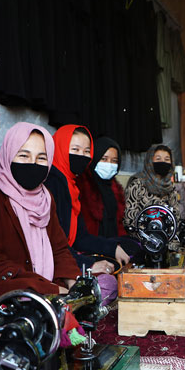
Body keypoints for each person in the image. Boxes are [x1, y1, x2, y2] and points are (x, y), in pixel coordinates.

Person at [0, 122, 81, 300]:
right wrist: (44, 287)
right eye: (23, 155)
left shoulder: (45, 197)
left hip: (46, 287)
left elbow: (58, 249)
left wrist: (74, 281)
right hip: (7, 291)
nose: (33, 164)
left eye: (41, 158)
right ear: (8, 154)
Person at [45, 125, 129, 303]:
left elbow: (80, 235)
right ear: (59, 147)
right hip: (54, 264)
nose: (81, 156)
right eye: (75, 149)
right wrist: (87, 264)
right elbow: (53, 243)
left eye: (86, 151)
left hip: (68, 257)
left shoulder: (71, 185)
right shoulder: (53, 183)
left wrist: (112, 248)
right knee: (107, 284)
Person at [123, 144, 181, 251]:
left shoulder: (169, 187)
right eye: (158, 158)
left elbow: (176, 216)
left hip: (168, 239)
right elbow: (129, 219)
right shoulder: (137, 184)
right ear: (150, 161)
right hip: (143, 240)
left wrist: (170, 238)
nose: (163, 162)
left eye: (167, 159)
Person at [76, 136, 128, 239]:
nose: (109, 164)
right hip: (90, 248)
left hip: (113, 246)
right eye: (104, 159)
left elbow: (119, 225)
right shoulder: (81, 185)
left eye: (114, 161)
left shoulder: (115, 189)